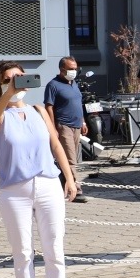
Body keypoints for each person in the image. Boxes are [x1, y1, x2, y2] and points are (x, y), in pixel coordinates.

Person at [0, 61, 78, 278]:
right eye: (9, 78)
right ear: (0, 83)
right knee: (22, 251)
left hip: (48, 183)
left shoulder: (38, 110)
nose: (16, 81)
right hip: (14, 190)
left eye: (20, 76)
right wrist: (8, 94)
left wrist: (68, 178)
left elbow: (56, 145)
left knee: (54, 246)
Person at [42, 56, 88, 202]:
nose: (74, 71)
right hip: (63, 125)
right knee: (70, 159)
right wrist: (53, 126)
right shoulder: (53, 85)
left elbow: (78, 104)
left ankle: (63, 185)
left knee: (70, 158)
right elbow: (49, 106)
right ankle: (76, 190)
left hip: (76, 125)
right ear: (62, 70)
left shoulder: (74, 84)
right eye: (71, 69)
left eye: (75, 69)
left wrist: (83, 122)